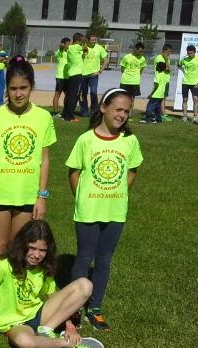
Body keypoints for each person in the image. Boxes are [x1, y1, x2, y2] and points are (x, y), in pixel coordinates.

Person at [66, 88, 144, 332]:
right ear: (103, 108)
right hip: (88, 210)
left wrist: (117, 192)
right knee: (83, 258)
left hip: (115, 211)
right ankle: (73, 309)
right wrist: (83, 197)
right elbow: (74, 172)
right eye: (118, 109)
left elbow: (132, 171)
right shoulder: (86, 140)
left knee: (103, 260)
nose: (122, 115)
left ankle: (95, 308)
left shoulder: (129, 141)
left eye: (126, 111)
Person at [0, 220, 104, 348]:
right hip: (15, 324)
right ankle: (67, 343)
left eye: (42, 250)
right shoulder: (4, 266)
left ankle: (46, 330)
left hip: (39, 314)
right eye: (32, 248)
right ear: (22, 245)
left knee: (85, 285)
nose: (37, 255)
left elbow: (54, 296)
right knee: (25, 342)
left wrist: (69, 326)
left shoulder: (43, 268)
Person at [0, 56, 55, 267]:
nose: (18, 94)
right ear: (7, 88)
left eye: (23, 88)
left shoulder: (43, 117)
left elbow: (45, 160)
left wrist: (41, 196)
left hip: (27, 195)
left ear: (32, 87)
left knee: (17, 248)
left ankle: (13, 288)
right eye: (13, 88)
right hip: (0, 193)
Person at [177, 44, 198, 123]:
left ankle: (195, 116)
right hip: (185, 82)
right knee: (185, 99)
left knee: (195, 99)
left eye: (191, 53)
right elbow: (179, 65)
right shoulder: (184, 59)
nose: (190, 54)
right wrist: (183, 71)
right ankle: (184, 116)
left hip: (195, 83)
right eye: (188, 53)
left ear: (195, 52)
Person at [79, 33, 108, 117]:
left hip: (93, 75)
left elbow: (106, 60)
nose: (94, 41)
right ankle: (84, 112)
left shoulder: (99, 48)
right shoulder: (83, 47)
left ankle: (94, 111)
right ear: (88, 40)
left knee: (93, 93)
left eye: (95, 40)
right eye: (92, 40)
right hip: (82, 75)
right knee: (82, 94)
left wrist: (100, 71)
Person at [62, 33, 87, 122]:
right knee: (74, 96)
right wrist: (84, 44)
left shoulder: (70, 48)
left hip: (71, 74)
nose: (82, 43)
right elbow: (86, 48)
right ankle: (69, 117)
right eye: (81, 41)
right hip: (77, 75)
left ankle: (65, 114)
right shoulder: (76, 47)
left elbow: (82, 54)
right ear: (77, 41)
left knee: (69, 95)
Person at [154, 44, 174, 122]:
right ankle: (162, 115)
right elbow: (167, 69)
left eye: (170, 52)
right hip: (160, 81)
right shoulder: (159, 58)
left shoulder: (167, 59)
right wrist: (166, 60)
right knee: (159, 98)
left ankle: (160, 114)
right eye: (168, 51)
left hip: (165, 81)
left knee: (163, 98)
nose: (169, 53)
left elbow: (169, 70)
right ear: (164, 50)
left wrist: (166, 61)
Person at [52, 37, 70, 118]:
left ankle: (65, 111)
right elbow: (60, 47)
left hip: (68, 77)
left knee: (68, 95)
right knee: (57, 94)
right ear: (64, 44)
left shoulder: (69, 52)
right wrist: (62, 45)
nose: (69, 46)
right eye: (68, 44)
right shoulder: (60, 51)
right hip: (60, 77)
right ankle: (55, 113)